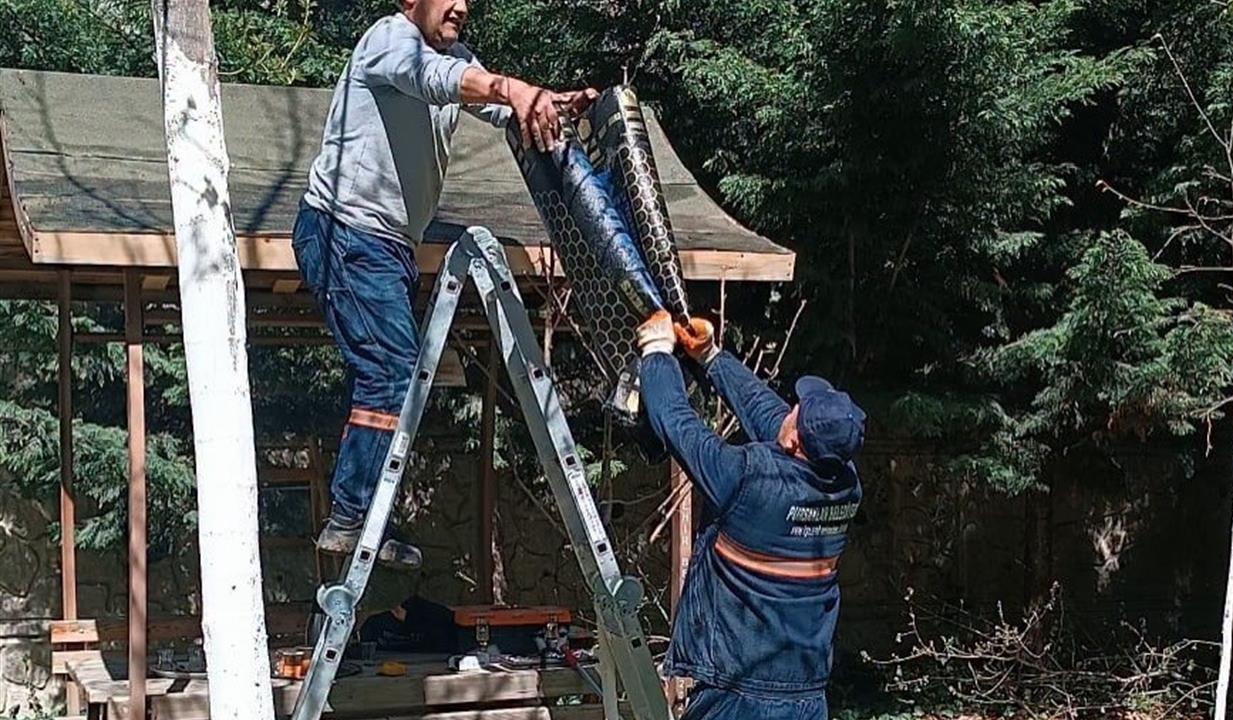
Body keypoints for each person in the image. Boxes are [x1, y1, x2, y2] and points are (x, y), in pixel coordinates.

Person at [292, 0, 597, 570]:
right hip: (345, 231)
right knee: (391, 371)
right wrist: (512, 89)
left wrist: (547, 104)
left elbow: (494, 105)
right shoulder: (389, 40)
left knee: (390, 376)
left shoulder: (456, 57)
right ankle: (352, 518)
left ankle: (362, 517)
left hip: (387, 244)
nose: (462, 5)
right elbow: (438, 80)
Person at [636, 312, 865, 720]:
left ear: (794, 440)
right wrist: (711, 356)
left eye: (795, 410)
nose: (788, 409)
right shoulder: (845, 483)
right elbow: (768, 415)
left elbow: (676, 422)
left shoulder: (748, 480)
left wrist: (656, 351)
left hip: (739, 695)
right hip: (806, 694)